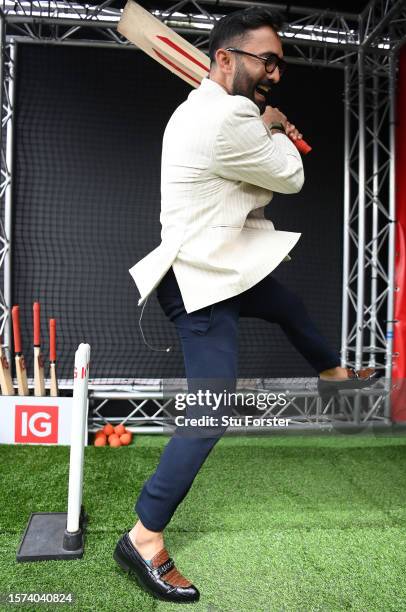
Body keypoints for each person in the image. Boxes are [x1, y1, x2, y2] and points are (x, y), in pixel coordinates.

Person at [113, 7, 375, 603]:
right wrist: (276, 130)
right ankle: (144, 539)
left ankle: (334, 375)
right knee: (211, 410)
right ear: (226, 59)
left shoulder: (213, 109)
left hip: (224, 261)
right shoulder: (228, 116)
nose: (275, 73)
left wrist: (264, 124)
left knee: (287, 306)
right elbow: (291, 180)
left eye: (279, 63)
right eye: (268, 60)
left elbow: (248, 180)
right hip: (199, 277)